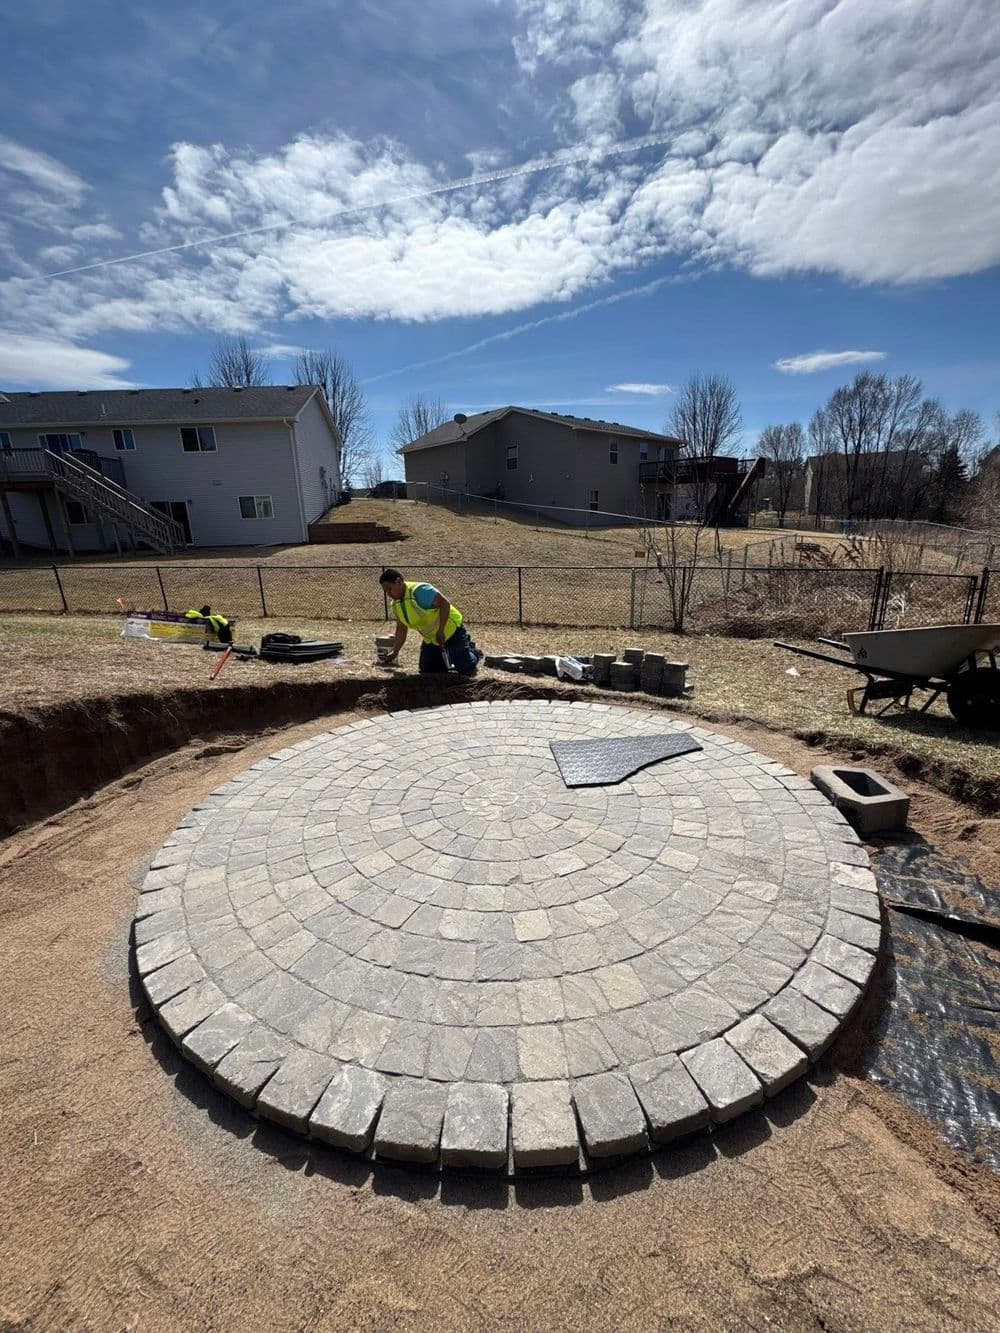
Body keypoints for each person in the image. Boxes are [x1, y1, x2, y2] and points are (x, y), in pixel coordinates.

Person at [378, 569, 480, 675]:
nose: (389, 594)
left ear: (398, 581)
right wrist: (395, 653)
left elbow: (445, 604)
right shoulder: (395, 605)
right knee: (426, 668)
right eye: (386, 592)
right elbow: (401, 629)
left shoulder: (420, 591)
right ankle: (454, 654)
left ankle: (473, 651)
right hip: (432, 639)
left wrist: (441, 631)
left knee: (465, 668)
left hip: (451, 631)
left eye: (390, 589)